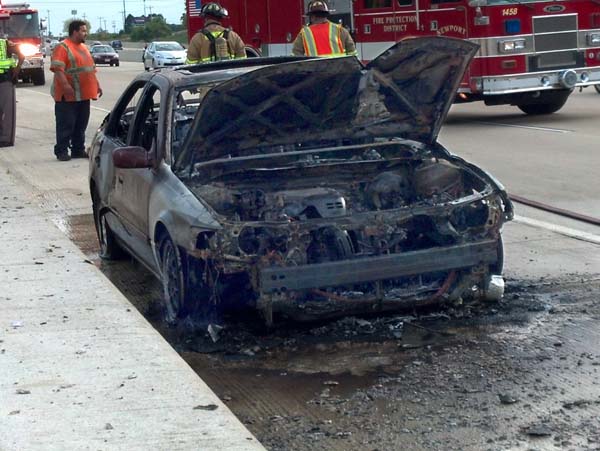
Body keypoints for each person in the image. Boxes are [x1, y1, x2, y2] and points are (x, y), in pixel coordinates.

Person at [50, 20, 102, 161]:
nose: (86, 33)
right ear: (74, 32)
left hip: (83, 95)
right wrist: (66, 86)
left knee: (81, 124)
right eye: (83, 31)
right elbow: (58, 69)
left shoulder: (84, 48)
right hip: (68, 96)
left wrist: (96, 85)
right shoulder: (63, 47)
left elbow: (90, 69)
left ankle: (78, 149)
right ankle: (61, 150)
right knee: (66, 124)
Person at [292, 0, 357, 57]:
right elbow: (352, 54)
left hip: (315, 70)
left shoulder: (304, 33)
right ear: (326, 15)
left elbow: (296, 57)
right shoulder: (340, 30)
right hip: (339, 70)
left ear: (312, 16)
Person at [0, 34, 24, 147]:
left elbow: (21, 55)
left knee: (8, 111)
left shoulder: (4, 43)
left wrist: (17, 69)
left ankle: (7, 139)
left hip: (5, 79)